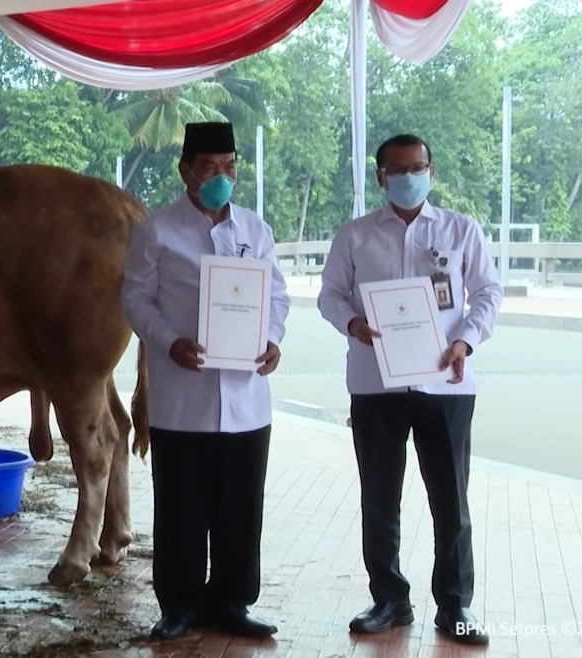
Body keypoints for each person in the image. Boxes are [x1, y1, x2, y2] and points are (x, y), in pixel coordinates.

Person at [316, 133, 503, 646]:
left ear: (431, 169)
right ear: (381, 177)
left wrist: (465, 341)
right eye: (397, 171)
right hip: (375, 385)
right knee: (379, 497)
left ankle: (455, 604)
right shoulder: (355, 236)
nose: (408, 177)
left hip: (446, 384)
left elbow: (488, 293)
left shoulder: (460, 230)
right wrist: (353, 324)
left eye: (417, 167)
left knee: (450, 501)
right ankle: (389, 599)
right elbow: (329, 295)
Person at [121, 121, 290, 641]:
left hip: (246, 399)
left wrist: (272, 339)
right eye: (211, 168)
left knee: (241, 508)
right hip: (182, 396)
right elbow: (135, 299)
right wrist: (168, 340)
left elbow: (277, 297)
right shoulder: (158, 231)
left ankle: (232, 603)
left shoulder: (255, 231)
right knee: (181, 508)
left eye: (231, 167)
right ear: (186, 171)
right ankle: (179, 605)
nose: (223, 177)